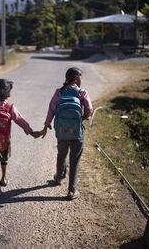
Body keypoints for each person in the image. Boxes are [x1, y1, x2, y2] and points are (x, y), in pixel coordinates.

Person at [40, 67, 93, 200]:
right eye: (80, 78)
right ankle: (72, 190)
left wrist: (47, 125)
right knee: (74, 159)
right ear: (76, 78)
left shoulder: (59, 92)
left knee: (61, 154)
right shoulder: (82, 92)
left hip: (62, 131)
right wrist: (84, 117)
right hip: (77, 132)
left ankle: (58, 177)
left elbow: (51, 109)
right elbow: (89, 109)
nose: (81, 81)